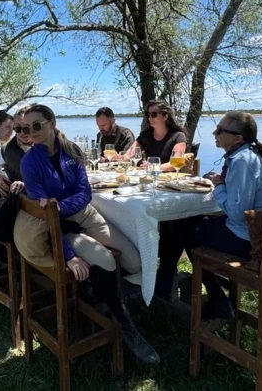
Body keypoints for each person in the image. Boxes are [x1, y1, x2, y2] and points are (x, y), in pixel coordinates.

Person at [14, 104, 158, 365]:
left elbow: (85, 193)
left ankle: (96, 292)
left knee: (135, 261)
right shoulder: (29, 162)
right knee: (106, 260)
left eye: (36, 125)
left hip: (80, 214)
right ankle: (124, 323)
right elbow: (43, 214)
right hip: (57, 228)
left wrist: (60, 206)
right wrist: (67, 255)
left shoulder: (72, 151)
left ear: (52, 123)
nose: (30, 132)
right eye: (24, 128)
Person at [154, 111, 262, 320]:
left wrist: (219, 185)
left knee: (184, 229)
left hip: (248, 239)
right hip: (258, 232)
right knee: (188, 224)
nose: (215, 133)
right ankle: (166, 282)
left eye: (220, 130)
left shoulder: (243, 161)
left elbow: (237, 213)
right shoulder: (247, 156)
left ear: (238, 138)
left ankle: (209, 296)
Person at [0, 106, 34, 251]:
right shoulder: (8, 149)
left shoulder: (45, 143)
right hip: (25, 210)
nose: (22, 133)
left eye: (27, 128)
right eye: (18, 129)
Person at [129, 100, 187, 171]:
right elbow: (129, 154)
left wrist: (154, 167)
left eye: (154, 115)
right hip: (149, 177)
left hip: (170, 178)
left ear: (165, 117)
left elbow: (175, 163)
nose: (150, 118)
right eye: (148, 115)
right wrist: (118, 157)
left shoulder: (178, 136)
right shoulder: (145, 134)